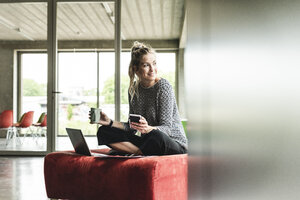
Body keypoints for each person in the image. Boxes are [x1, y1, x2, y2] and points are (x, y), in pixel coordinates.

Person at [92, 41, 187, 156]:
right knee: (104, 131)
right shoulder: (133, 90)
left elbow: (166, 128)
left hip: (172, 143)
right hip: (148, 141)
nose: (152, 69)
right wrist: (110, 122)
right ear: (136, 69)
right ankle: (139, 152)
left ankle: (134, 152)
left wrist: (148, 128)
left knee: (155, 136)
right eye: (146, 65)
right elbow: (132, 127)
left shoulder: (163, 86)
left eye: (154, 63)